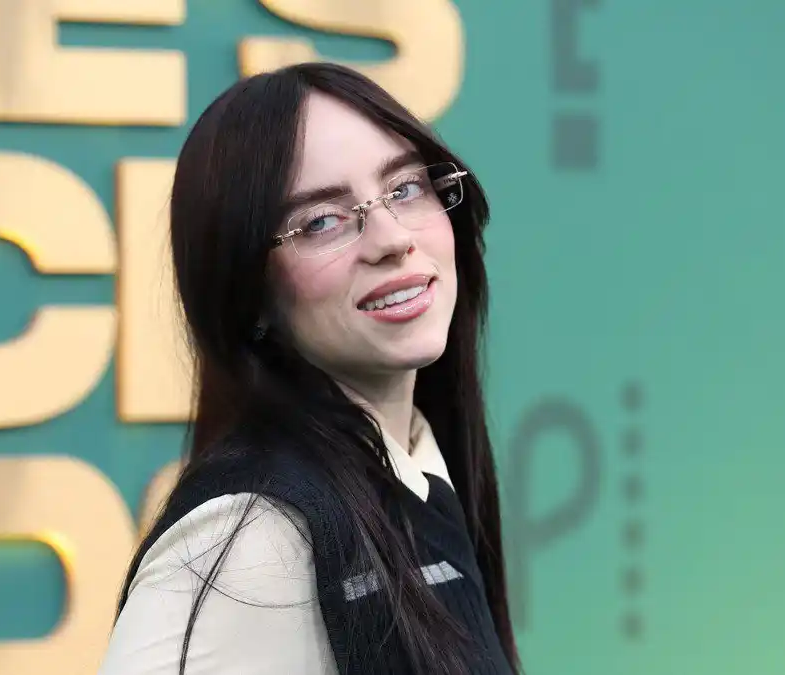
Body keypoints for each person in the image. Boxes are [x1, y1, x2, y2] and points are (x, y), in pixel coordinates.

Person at [100, 63, 519, 675]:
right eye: (321, 221)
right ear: (250, 292)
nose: (390, 238)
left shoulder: (424, 473)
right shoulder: (253, 538)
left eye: (404, 188)